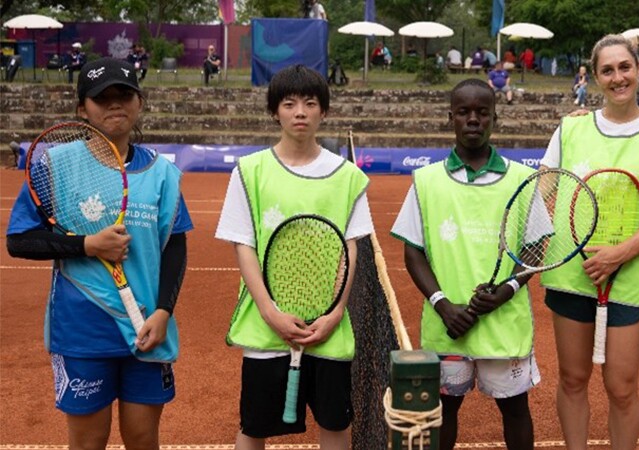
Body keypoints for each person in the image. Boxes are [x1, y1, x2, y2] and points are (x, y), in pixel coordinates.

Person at [6, 57, 193, 450]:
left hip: (146, 326)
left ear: (139, 102)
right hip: (81, 330)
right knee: (88, 442)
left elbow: (175, 247)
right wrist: (87, 246)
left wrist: (163, 311)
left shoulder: (163, 174)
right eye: (100, 97)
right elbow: (20, 240)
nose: (114, 105)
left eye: (123, 95)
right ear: (82, 109)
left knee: (143, 439)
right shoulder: (54, 165)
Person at [539, 34, 639, 450]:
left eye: (625, 67)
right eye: (608, 70)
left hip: (629, 277)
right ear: (595, 77)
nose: (618, 77)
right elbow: (542, 192)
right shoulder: (570, 128)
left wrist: (620, 254)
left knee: (621, 387)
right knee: (572, 379)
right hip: (572, 274)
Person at [215, 64, 373, 450]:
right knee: (254, 427)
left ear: (324, 111)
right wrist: (270, 313)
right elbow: (244, 246)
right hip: (266, 327)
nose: (300, 112)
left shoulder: (347, 176)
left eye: (310, 103)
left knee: (336, 423)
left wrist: (335, 313)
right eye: (289, 103)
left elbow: (350, 249)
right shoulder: (249, 172)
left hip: (328, 328)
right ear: (275, 111)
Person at [391, 79, 538, 450]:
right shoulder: (426, 180)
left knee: (516, 410)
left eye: (482, 112)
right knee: (444, 412)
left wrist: (507, 290)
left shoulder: (522, 179)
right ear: (450, 118)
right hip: (448, 326)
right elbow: (413, 251)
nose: (473, 119)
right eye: (464, 112)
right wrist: (442, 304)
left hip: (505, 327)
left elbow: (536, 249)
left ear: (494, 118)